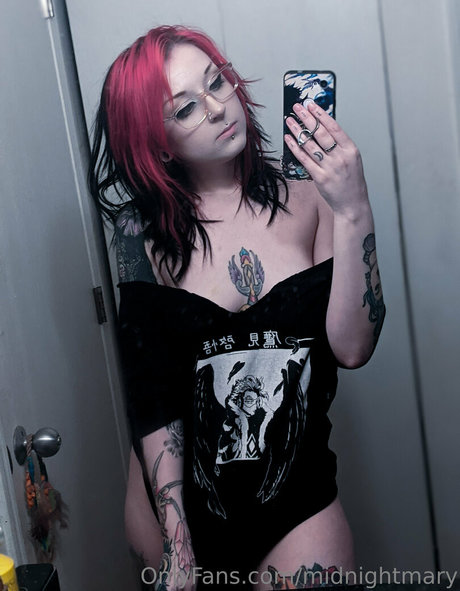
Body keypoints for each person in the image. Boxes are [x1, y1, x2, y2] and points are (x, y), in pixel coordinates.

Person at [88, 25, 385, 591]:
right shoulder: (139, 234)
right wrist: (177, 543)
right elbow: (152, 390)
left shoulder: (312, 197)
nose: (218, 107)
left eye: (217, 82)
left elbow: (353, 347)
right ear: (157, 142)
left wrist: (354, 208)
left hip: (294, 496)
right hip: (174, 509)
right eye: (185, 109)